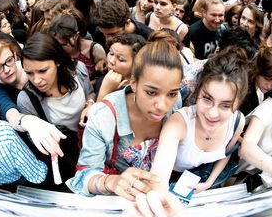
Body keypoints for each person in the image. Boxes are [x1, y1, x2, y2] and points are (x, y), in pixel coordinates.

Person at [67, 30, 184, 200]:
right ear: (134, 83)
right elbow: (84, 176)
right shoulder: (103, 116)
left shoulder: (177, 102)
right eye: (151, 92)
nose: (162, 106)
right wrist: (111, 182)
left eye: (171, 94)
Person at [149, 47, 248, 195]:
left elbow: (226, 153)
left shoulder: (237, 122)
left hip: (201, 185)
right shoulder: (178, 124)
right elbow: (159, 175)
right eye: (207, 99)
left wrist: (208, 183)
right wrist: (158, 194)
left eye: (226, 105)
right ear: (198, 90)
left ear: (238, 104)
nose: (213, 114)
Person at [17, 33, 95, 185]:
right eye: (29, 73)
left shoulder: (78, 70)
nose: (36, 80)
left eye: (43, 71)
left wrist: (90, 104)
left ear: (58, 62)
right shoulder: (27, 100)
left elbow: (90, 92)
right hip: (72, 162)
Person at [49, 12, 106, 84]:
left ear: (75, 36)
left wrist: (85, 85)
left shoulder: (95, 50)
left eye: (64, 44)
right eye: (55, 44)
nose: (58, 48)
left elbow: (104, 79)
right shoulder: (53, 52)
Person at [96, 33, 146, 101]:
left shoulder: (137, 93)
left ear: (137, 64)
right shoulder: (102, 80)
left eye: (121, 59)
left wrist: (104, 92)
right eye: (111, 53)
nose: (111, 61)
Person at [240, 46, 272, 116]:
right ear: (258, 69)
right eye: (267, 79)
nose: (269, 86)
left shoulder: (270, 94)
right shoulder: (242, 87)